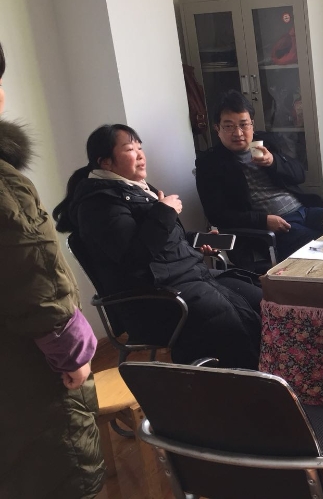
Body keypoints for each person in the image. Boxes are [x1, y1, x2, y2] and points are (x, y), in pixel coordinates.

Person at [53, 124, 263, 369]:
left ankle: (273, 372)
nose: (140, 155)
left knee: (263, 300)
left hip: (188, 278)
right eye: (130, 149)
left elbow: (164, 242)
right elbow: (134, 258)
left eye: (140, 148)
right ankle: (249, 382)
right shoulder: (99, 205)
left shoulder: (136, 190)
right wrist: (164, 211)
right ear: (106, 162)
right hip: (156, 299)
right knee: (232, 323)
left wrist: (198, 241)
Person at [0, 41, 105, 498]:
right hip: (25, 379)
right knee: (58, 473)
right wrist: (74, 355)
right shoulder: (6, 186)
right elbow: (35, 273)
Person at [195, 90, 323, 267]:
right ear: (217, 129)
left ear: (252, 125)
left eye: (243, 124)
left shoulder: (264, 143)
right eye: (229, 126)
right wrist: (264, 221)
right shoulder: (210, 163)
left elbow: (299, 174)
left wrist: (274, 162)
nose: (238, 133)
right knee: (319, 243)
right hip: (275, 226)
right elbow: (217, 215)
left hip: (303, 211)